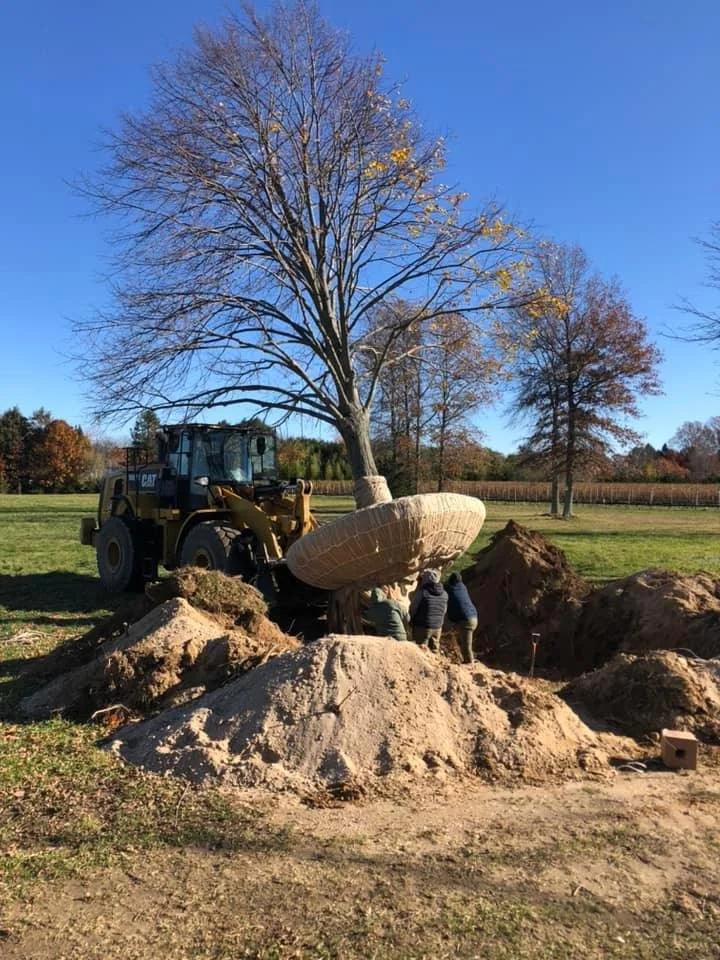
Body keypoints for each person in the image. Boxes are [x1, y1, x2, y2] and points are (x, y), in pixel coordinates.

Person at [409, 570, 448, 653]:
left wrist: (412, 620)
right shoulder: (444, 593)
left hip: (423, 626)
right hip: (438, 627)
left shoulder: (423, 593)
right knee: (434, 650)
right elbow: (444, 610)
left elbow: (413, 608)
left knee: (421, 651)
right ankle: (436, 665)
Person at [445, 572, 478, 664]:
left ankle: (469, 663)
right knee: (465, 641)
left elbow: (444, 589)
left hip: (467, 619)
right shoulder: (463, 587)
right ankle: (468, 659)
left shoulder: (450, 589)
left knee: (466, 645)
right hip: (473, 616)